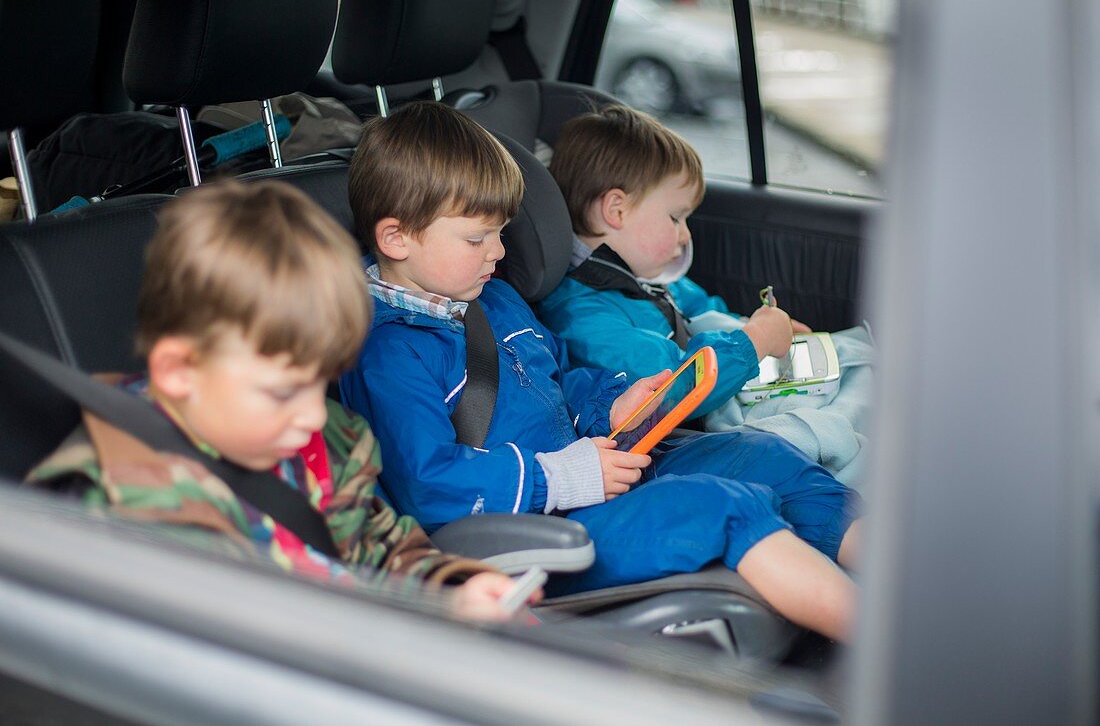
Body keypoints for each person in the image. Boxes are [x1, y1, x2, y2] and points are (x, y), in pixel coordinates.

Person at [340, 101, 862, 641]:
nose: (498, 252)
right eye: (477, 239)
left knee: (762, 456)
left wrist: (611, 402)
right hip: (529, 533)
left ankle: (909, 585)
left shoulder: (491, 298)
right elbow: (427, 484)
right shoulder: (387, 353)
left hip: (593, 473)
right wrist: (560, 476)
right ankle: (890, 650)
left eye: (501, 233)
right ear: (396, 238)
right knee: (717, 505)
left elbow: (557, 379)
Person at [24, 179, 532, 622]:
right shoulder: (117, 510)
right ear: (180, 372)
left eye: (320, 382)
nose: (313, 413)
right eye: (282, 392)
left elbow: (380, 551)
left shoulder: (329, 443)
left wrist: (452, 590)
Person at [539, 104, 875, 486]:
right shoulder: (583, 317)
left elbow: (702, 308)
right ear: (616, 209)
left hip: (737, 385)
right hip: (699, 422)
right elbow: (677, 384)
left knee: (860, 368)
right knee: (833, 427)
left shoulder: (644, 277)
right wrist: (756, 341)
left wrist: (752, 326)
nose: (685, 236)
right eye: (675, 218)